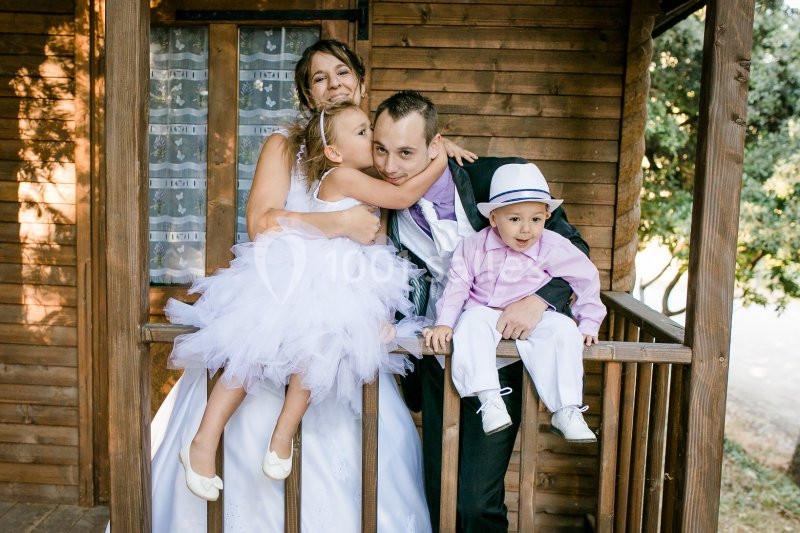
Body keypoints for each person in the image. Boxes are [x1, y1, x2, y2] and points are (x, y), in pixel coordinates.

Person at [128, 40, 475, 532]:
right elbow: (261, 224)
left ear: (360, 81)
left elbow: (396, 210)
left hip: (346, 305)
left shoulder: (374, 149)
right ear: (308, 93)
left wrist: (438, 148)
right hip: (291, 294)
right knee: (254, 368)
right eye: (319, 77)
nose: (334, 83)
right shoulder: (286, 146)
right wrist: (339, 224)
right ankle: (218, 448)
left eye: (342, 72)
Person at [169, 100, 447, 500]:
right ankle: (203, 441)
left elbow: (377, 247)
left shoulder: (358, 177)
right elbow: (402, 196)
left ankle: (281, 437)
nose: (373, 139)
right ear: (333, 151)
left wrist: (378, 310)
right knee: (251, 350)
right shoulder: (342, 176)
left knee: (315, 355)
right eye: (364, 133)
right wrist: (439, 158)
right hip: (311, 276)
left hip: (342, 283)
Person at [372, 90, 590, 531]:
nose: (389, 166)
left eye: (405, 152)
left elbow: (575, 251)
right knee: (439, 491)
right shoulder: (378, 197)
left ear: (436, 145)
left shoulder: (496, 178)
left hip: (500, 349)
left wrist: (538, 301)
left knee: (476, 501)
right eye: (381, 150)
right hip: (435, 354)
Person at [423, 163, 604, 441]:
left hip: (534, 317)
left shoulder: (553, 245)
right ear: (494, 218)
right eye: (515, 219)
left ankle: (566, 409)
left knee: (564, 330)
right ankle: (489, 399)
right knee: (469, 324)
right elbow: (457, 285)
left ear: (547, 216)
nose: (526, 230)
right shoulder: (474, 246)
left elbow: (586, 276)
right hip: (485, 311)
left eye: (536, 219)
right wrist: (444, 323)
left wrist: (589, 322)